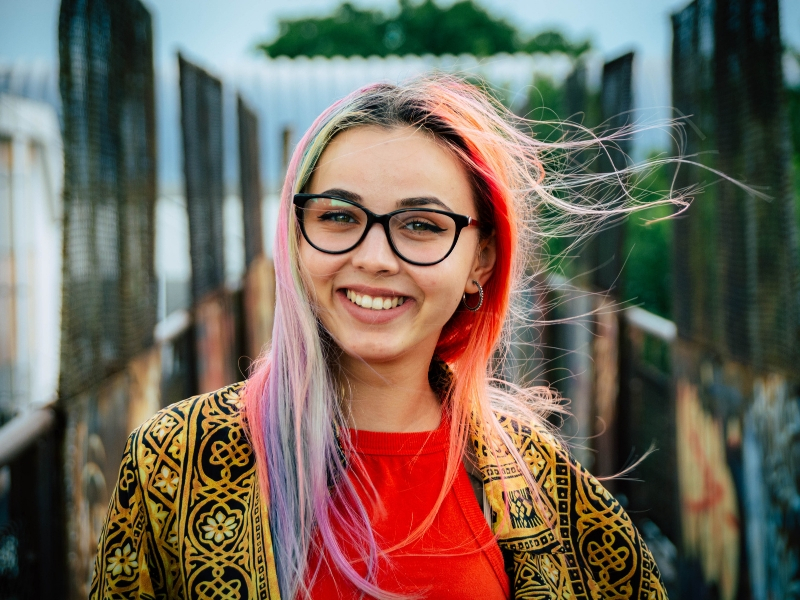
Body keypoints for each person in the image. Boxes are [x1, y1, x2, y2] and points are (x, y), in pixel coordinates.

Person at [91, 76, 668, 599]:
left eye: (421, 226)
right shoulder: (172, 462)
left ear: (481, 260)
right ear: (295, 237)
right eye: (339, 216)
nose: (374, 258)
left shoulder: (547, 486)